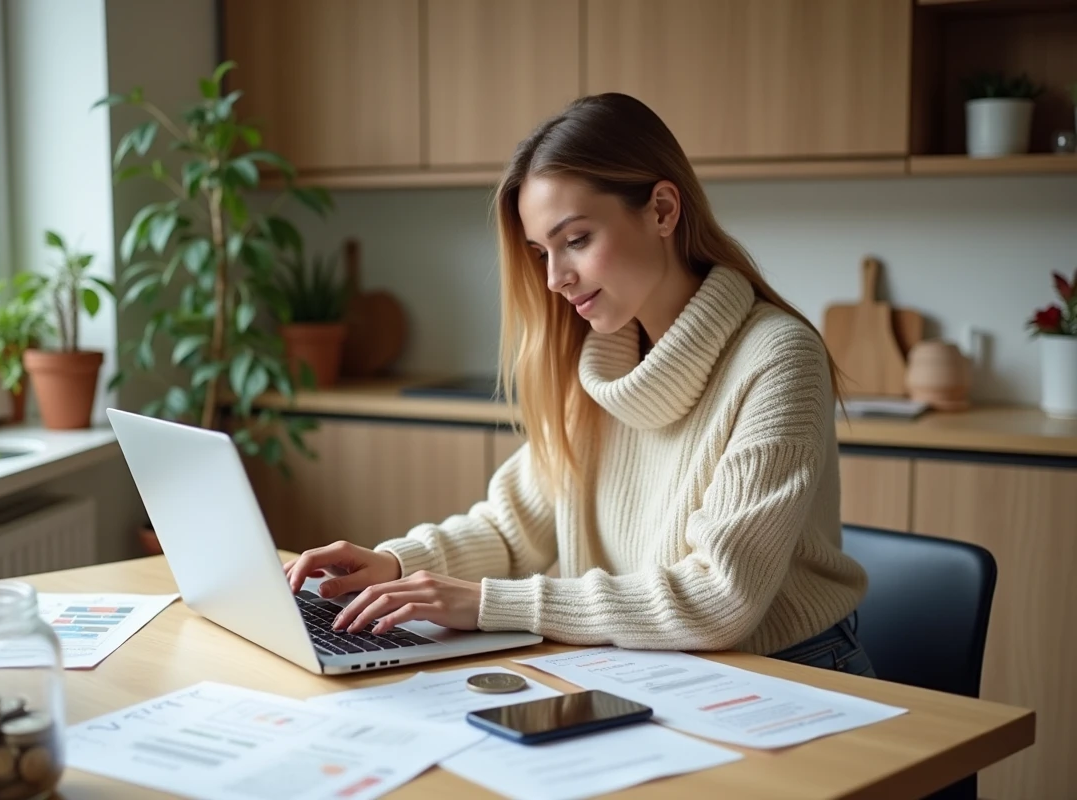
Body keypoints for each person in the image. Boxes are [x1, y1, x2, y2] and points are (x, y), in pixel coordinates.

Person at [285, 92, 875, 677]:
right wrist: (393, 564)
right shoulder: (598, 366)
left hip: (790, 673)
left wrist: (486, 603)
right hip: (648, 666)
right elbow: (511, 531)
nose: (554, 279)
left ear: (663, 210)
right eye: (541, 252)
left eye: (576, 240)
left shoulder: (778, 358)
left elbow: (718, 598)